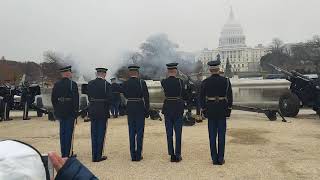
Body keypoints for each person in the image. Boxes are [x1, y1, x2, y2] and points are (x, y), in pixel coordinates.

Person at [200, 60, 233, 165]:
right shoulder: (226, 81)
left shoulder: (205, 82)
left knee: (212, 136)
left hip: (210, 109)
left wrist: (204, 110)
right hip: (222, 109)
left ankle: (214, 159)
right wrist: (228, 110)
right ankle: (220, 158)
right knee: (221, 135)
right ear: (219, 69)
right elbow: (230, 97)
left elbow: (201, 98)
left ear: (210, 70)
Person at [122, 65, 150, 161]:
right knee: (139, 132)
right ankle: (138, 155)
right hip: (139, 107)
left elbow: (124, 94)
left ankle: (132, 155)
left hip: (130, 106)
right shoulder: (142, 82)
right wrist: (147, 110)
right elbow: (146, 97)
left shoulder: (125, 83)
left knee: (131, 131)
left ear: (130, 73)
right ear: (138, 73)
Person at [51, 66, 79, 158]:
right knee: (69, 132)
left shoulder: (56, 84)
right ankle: (68, 153)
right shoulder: (72, 84)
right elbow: (75, 100)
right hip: (70, 111)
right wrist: (76, 112)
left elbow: (53, 99)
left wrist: (56, 110)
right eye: (70, 72)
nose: (71, 74)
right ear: (67, 73)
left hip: (60, 111)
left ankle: (63, 153)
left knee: (62, 133)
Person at [161, 63, 186, 162]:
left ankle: (171, 154)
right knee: (178, 133)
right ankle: (178, 154)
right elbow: (184, 94)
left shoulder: (164, 82)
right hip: (178, 108)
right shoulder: (180, 81)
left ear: (168, 71)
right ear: (176, 71)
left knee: (169, 133)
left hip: (167, 107)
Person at [87, 68, 112, 162]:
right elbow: (110, 99)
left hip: (93, 109)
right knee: (101, 133)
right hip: (103, 110)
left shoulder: (90, 83)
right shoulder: (107, 84)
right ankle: (98, 156)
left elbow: (89, 97)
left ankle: (94, 156)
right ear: (104, 74)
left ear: (97, 73)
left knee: (94, 133)